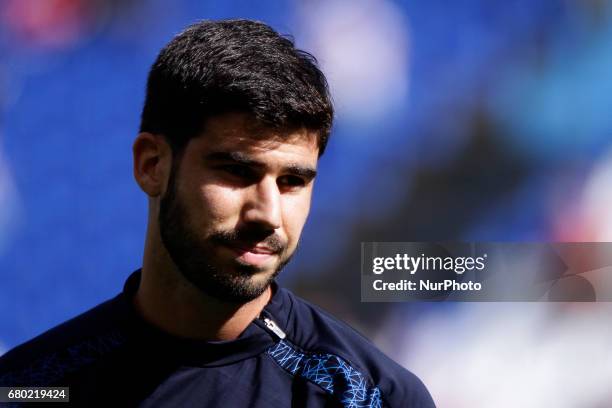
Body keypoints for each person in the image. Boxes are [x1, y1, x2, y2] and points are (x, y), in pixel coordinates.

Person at [0, 19, 435, 407]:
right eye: (237, 171)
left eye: (293, 182)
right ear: (152, 166)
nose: (267, 213)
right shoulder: (28, 386)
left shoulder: (371, 397)